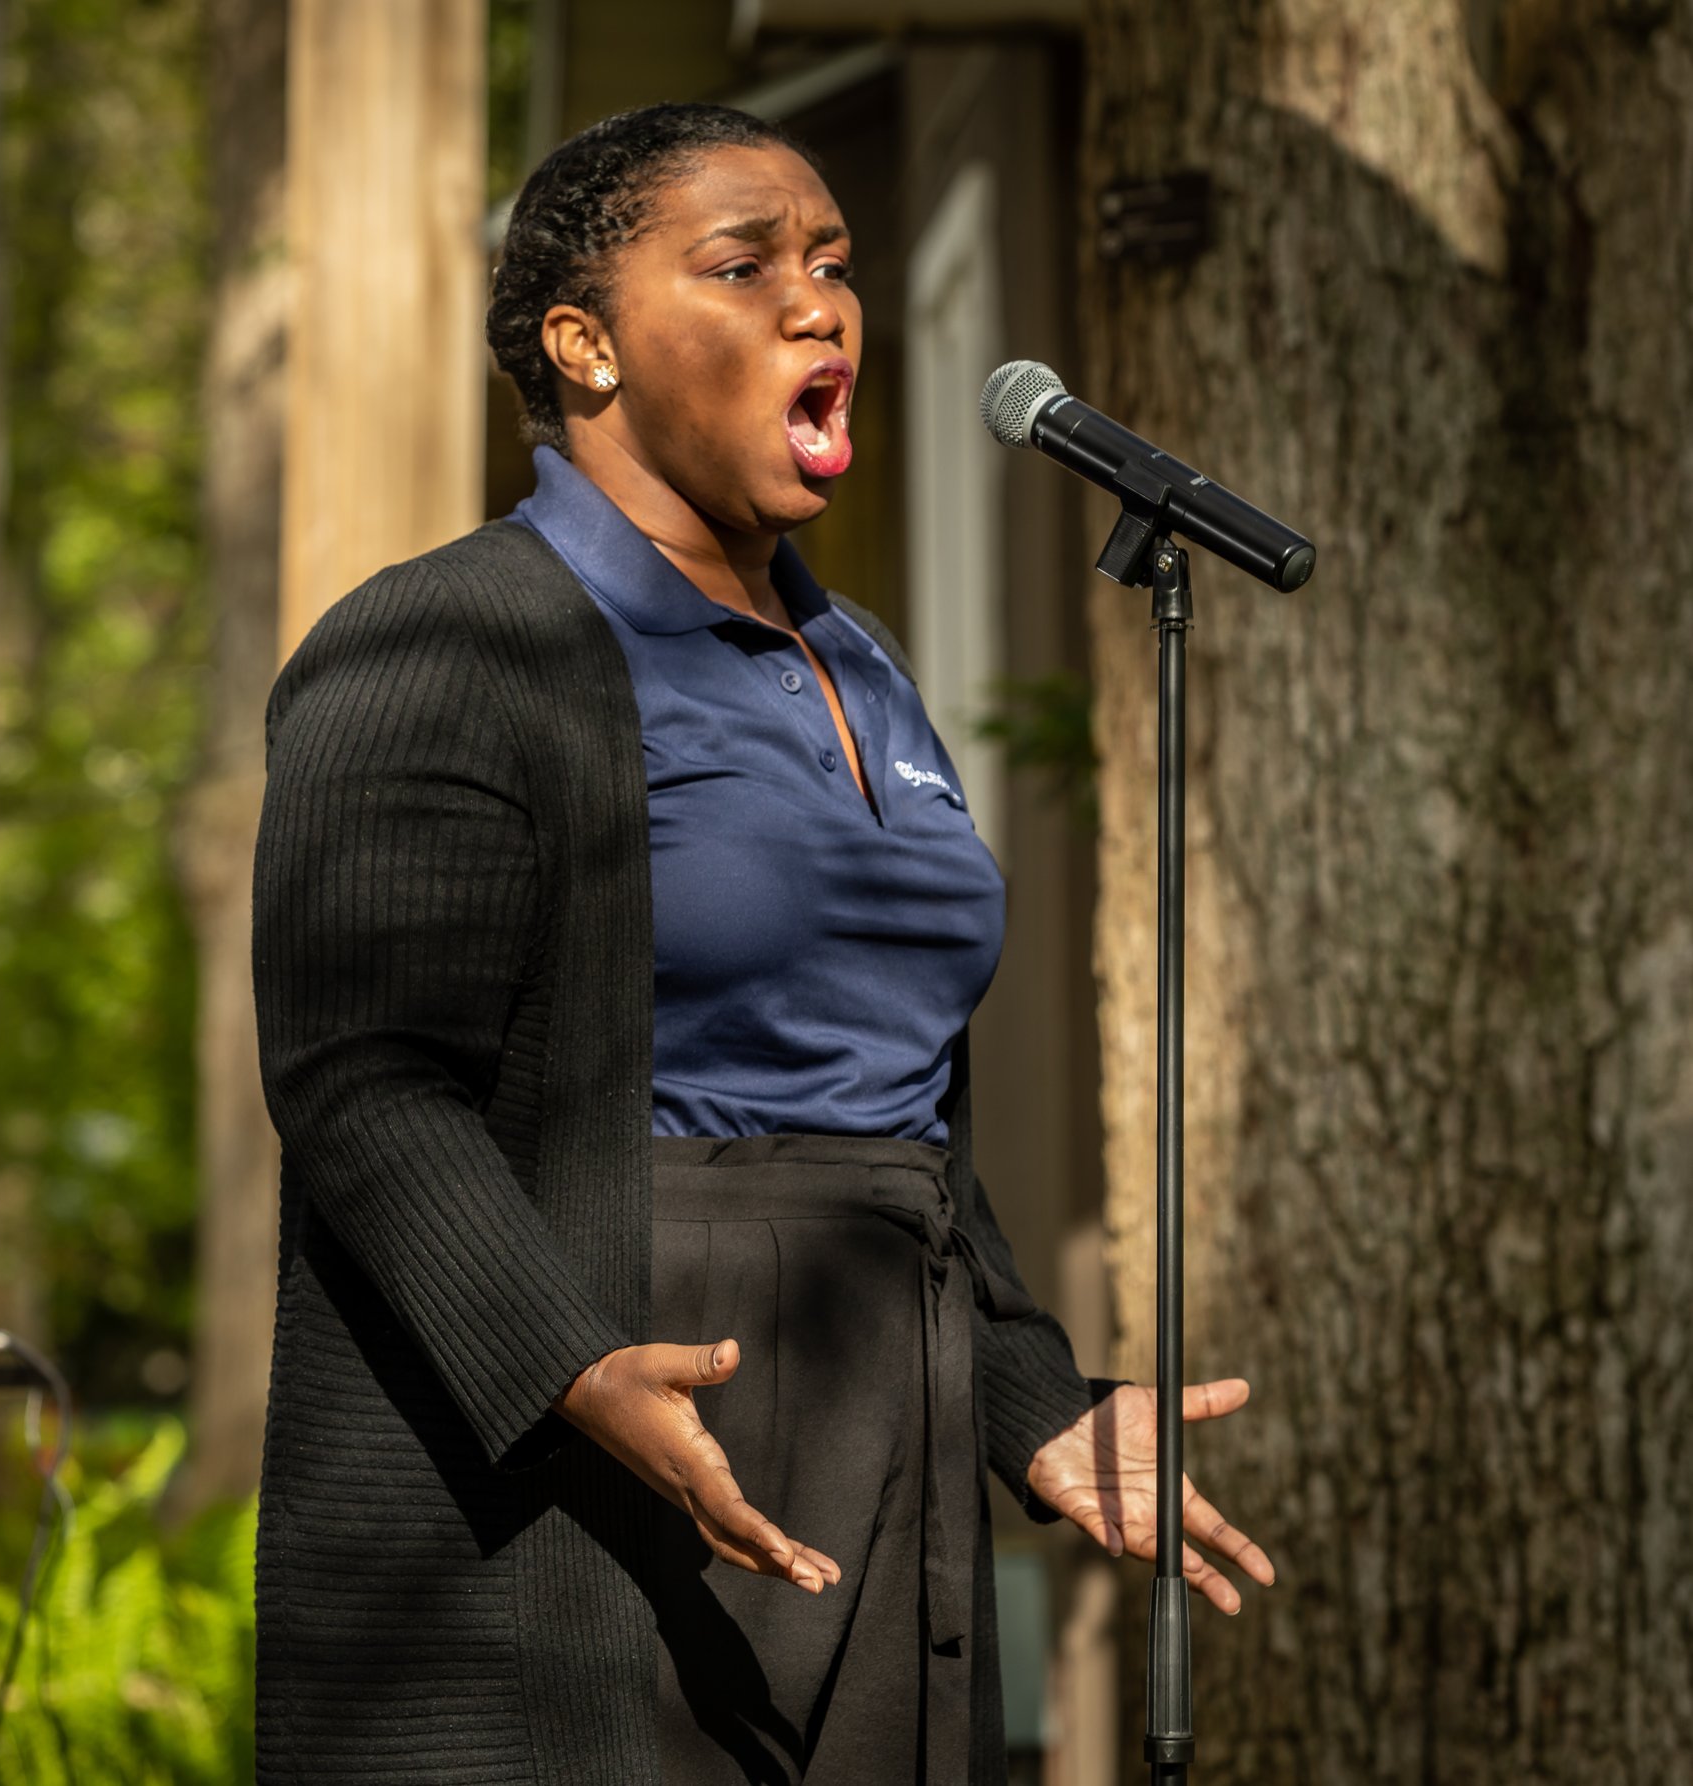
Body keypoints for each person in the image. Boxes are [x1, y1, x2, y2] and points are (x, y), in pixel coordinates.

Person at [249, 103, 1275, 1786]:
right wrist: (570, 1362)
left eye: (835, 266)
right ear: (585, 345)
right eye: (745, 267)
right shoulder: (448, 637)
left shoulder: (857, 660)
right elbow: (359, 1078)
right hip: (613, 1422)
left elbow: (898, 1114)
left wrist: (1031, 1405)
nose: (822, 307)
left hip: (886, 1416)